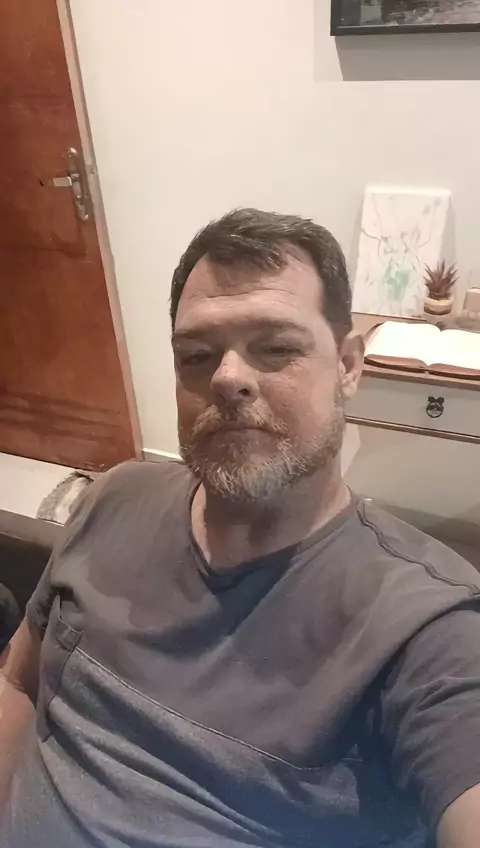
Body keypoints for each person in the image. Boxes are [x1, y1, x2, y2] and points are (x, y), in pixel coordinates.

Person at [1, 208, 479, 848]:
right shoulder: (114, 496)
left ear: (347, 366)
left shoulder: (428, 627)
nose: (227, 378)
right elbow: (18, 682)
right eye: (196, 355)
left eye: (276, 348)